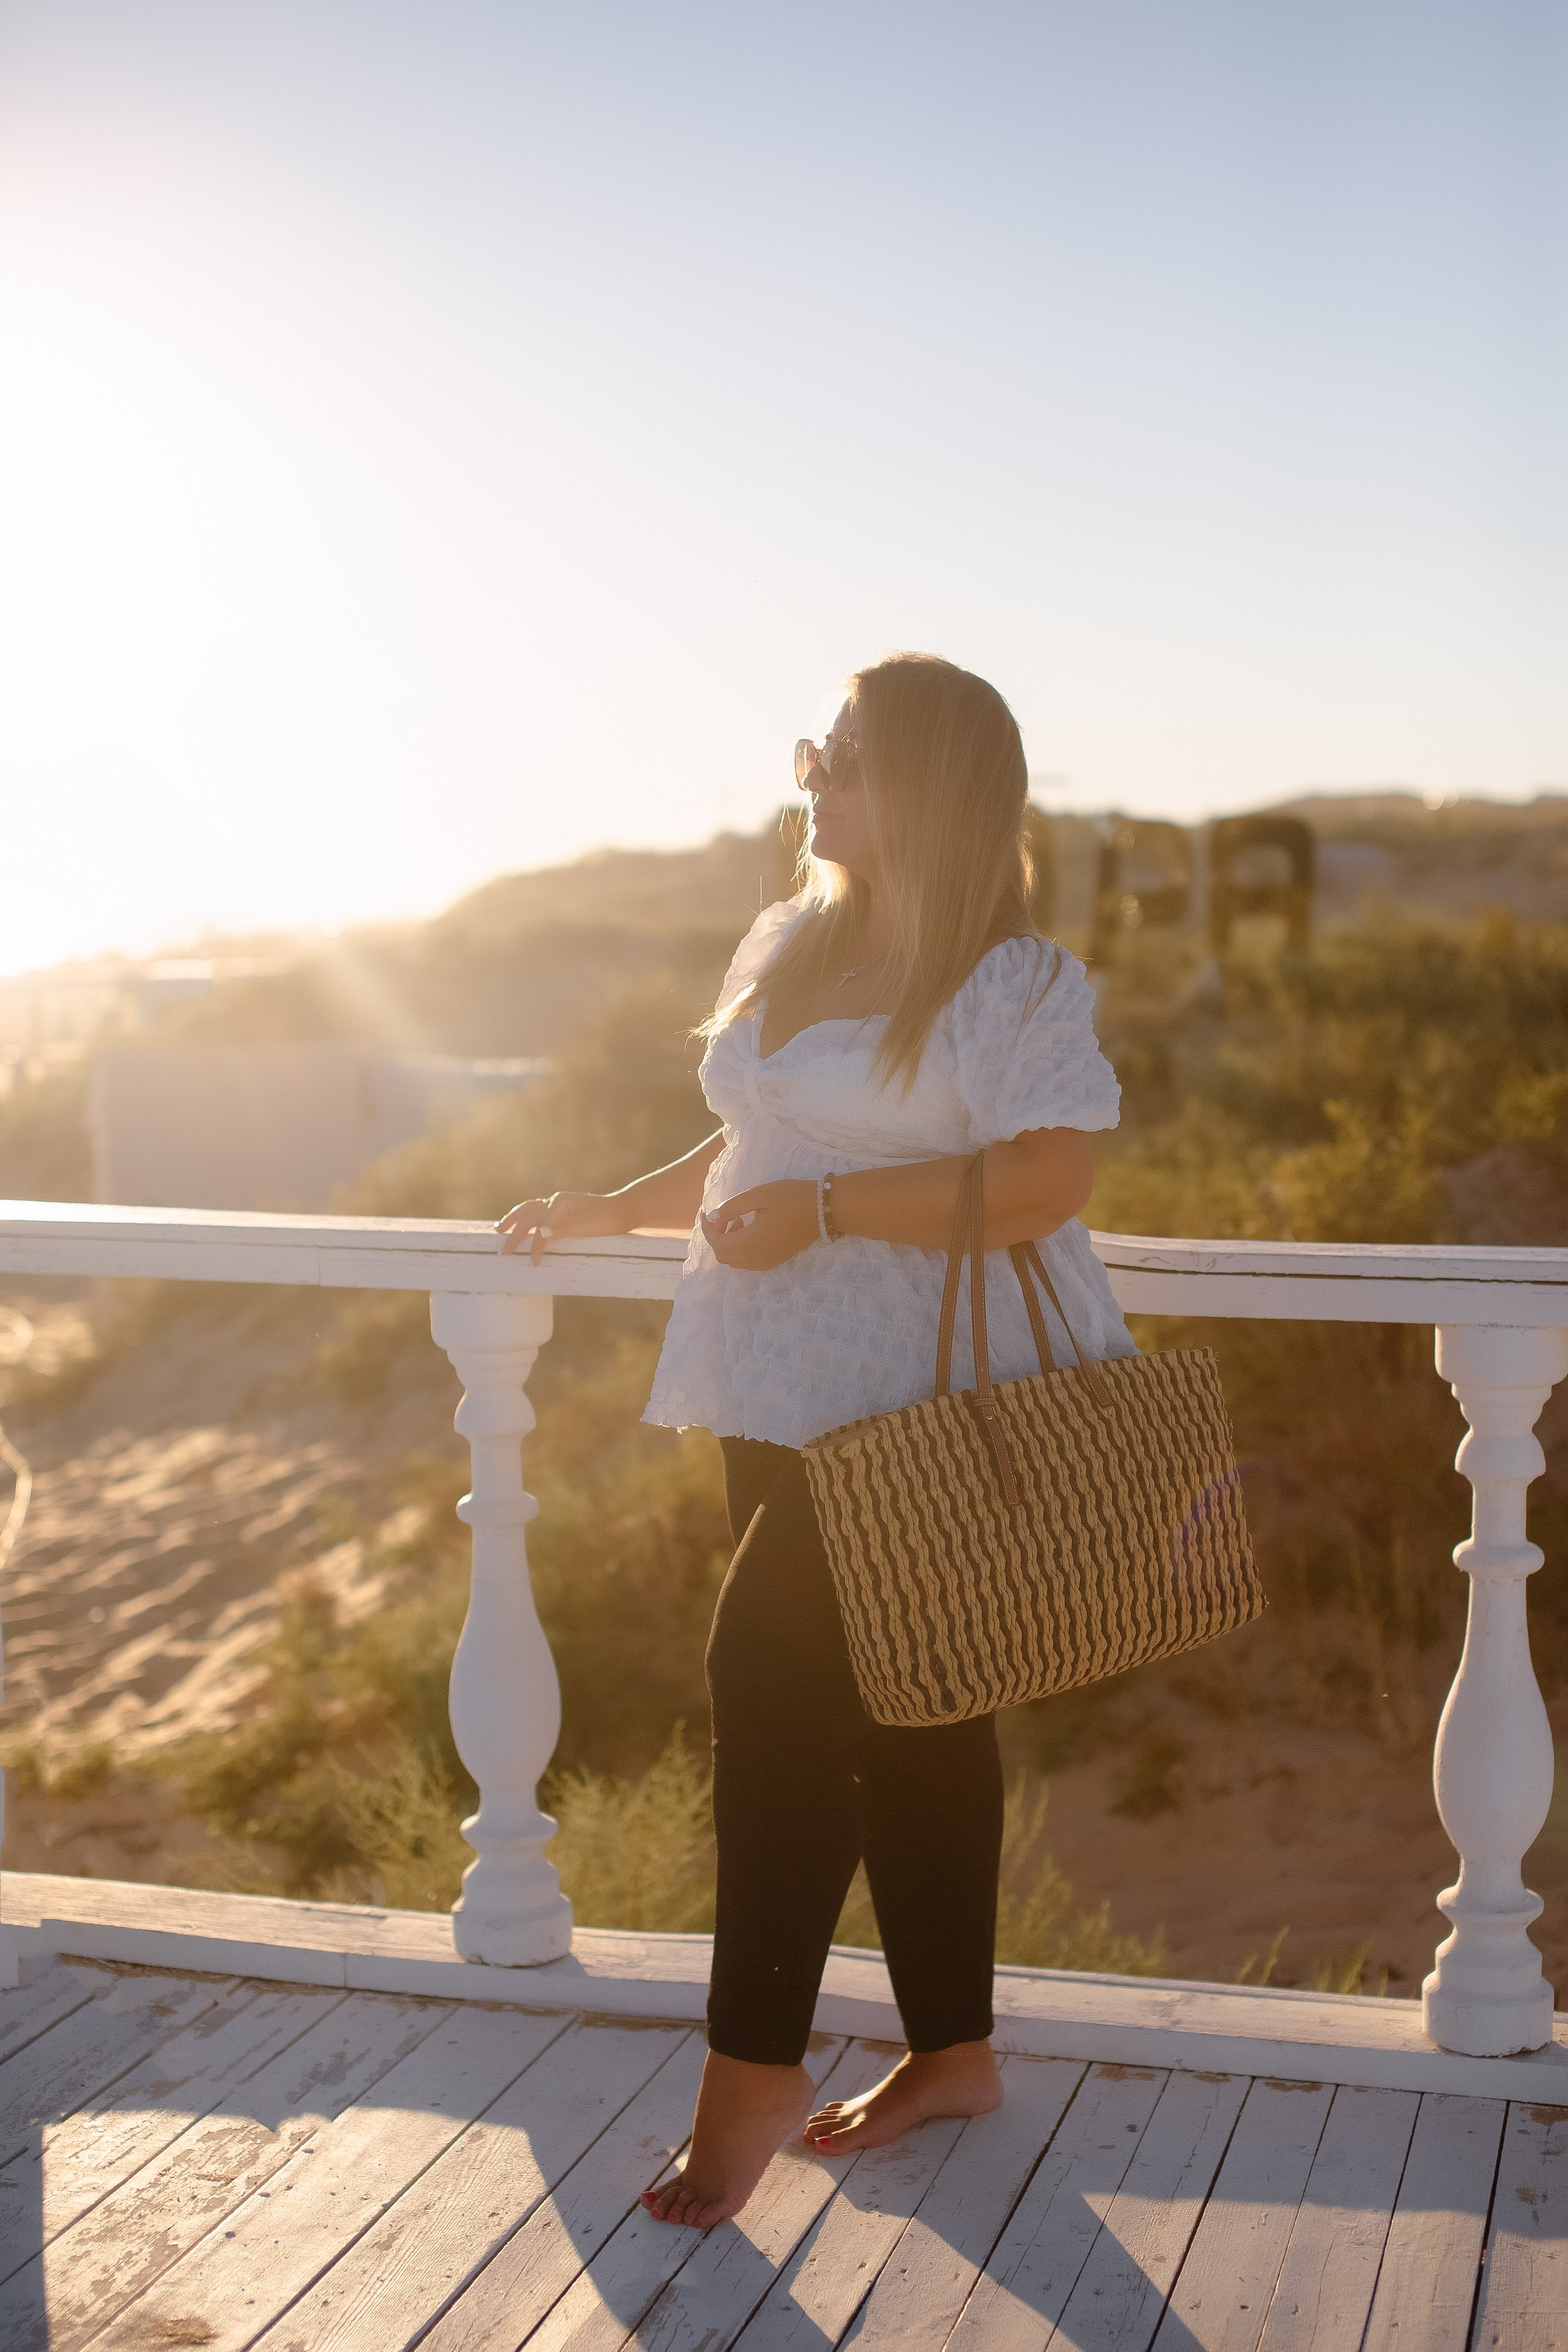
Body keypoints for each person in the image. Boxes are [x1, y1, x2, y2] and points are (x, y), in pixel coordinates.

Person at [496, 652, 1138, 2229]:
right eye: (811, 746)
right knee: (916, 1706)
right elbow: (755, 1136)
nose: (808, 774)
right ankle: (955, 2051)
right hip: (770, 1369)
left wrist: (834, 1211)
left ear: (929, 785)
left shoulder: (1015, 980)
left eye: (840, 752)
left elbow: (1050, 1179)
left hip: (919, 1392)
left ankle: (749, 2073)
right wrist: (618, 1206)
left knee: (762, 1681)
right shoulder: (792, 935)